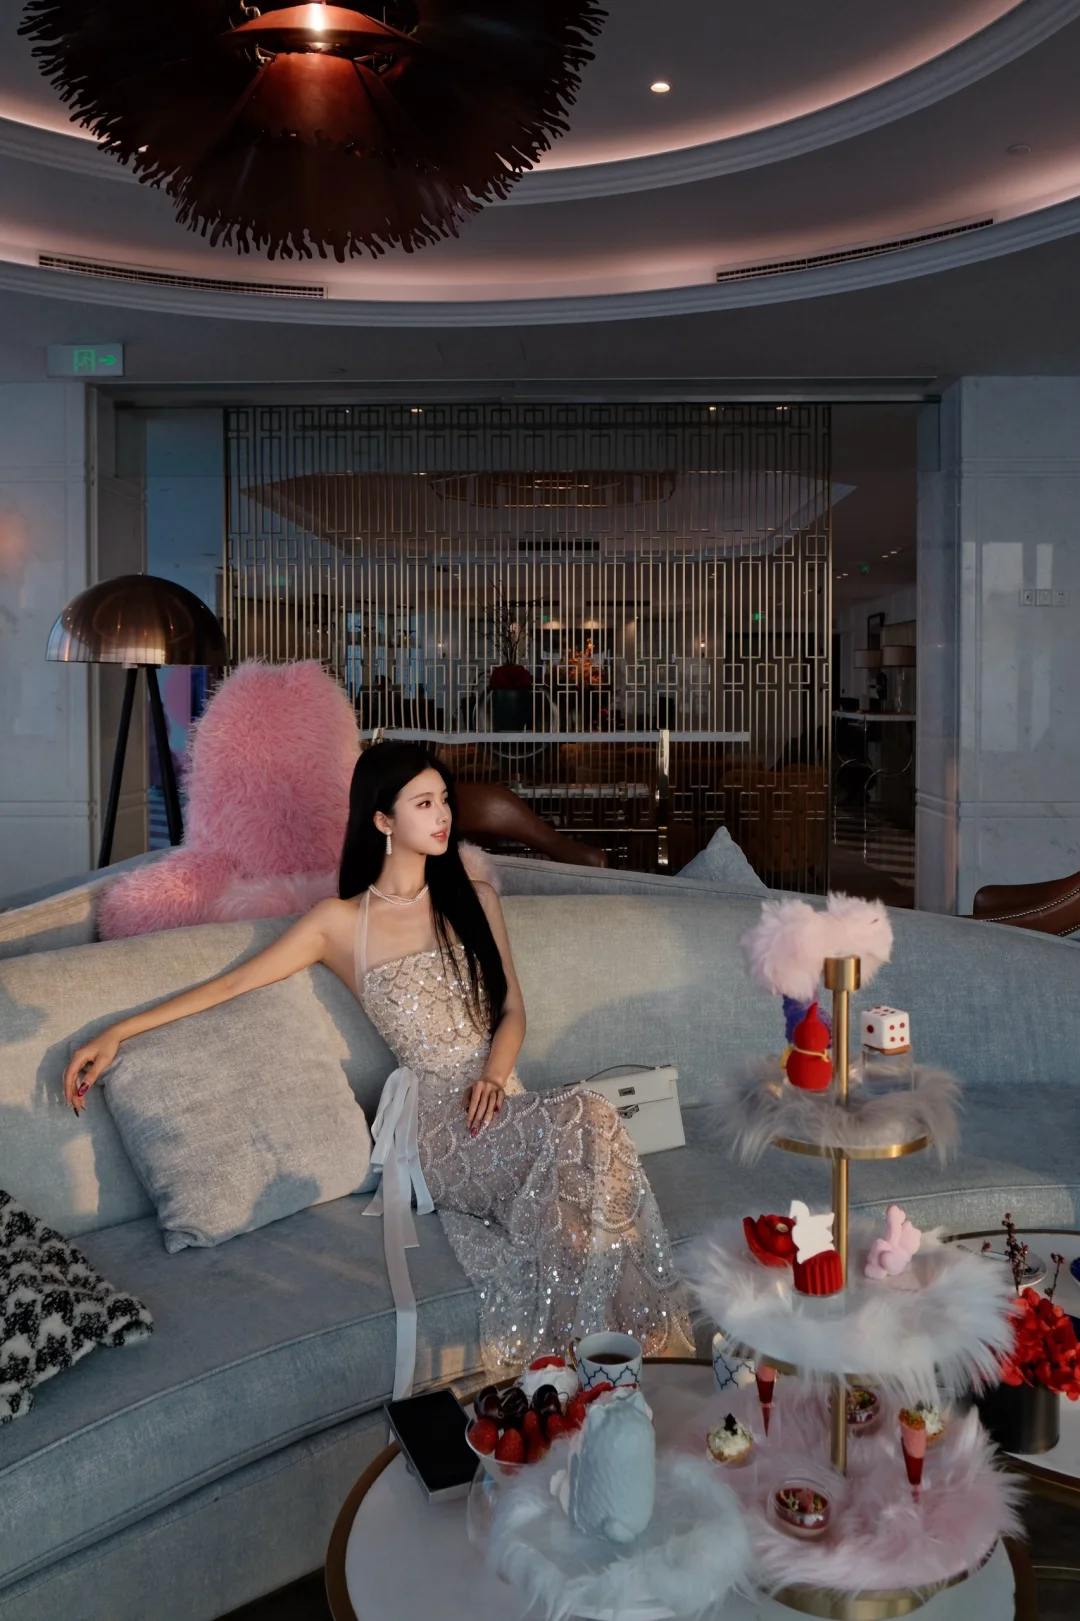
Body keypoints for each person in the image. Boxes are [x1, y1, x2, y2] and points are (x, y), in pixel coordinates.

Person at [66, 743, 695, 1391]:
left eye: (444, 800)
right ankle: (630, 1364)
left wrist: (492, 1076)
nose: (443, 815)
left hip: (504, 1100)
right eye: (424, 803)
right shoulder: (340, 923)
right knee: (588, 1119)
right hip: (440, 1127)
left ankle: (594, 1375)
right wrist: (119, 1031)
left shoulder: (474, 896)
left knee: (579, 1188)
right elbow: (234, 984)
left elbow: (512, 1010)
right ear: (382, 819)